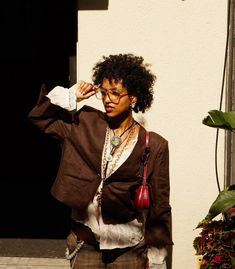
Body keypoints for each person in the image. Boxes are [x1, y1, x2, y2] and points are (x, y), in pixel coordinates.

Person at [28, 53, 173, 269]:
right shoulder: (84, 123)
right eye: (103, 92)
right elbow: (41, 118)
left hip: (128, 250)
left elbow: (159, 208)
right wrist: (71, 96)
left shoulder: (154, 145)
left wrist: (157, 258)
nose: (108, 99)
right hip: (85, 246)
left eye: (115, 93)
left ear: (133, 98)